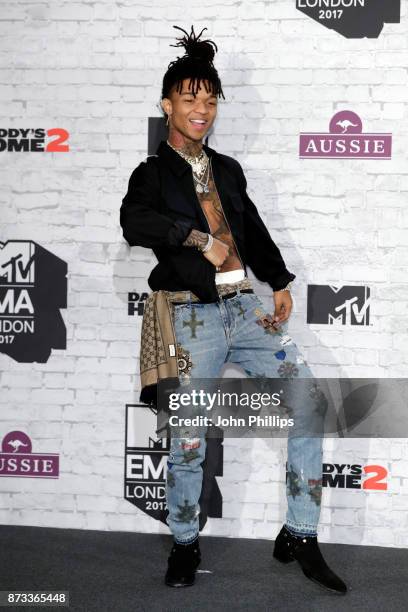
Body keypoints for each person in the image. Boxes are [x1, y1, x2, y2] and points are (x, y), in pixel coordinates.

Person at [120, 24, 347, 595]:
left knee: (309, 401)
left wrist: (278, 278)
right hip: (191, 320)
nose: (202, 109)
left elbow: (252, 227)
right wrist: (199, 240)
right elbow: (134, 222)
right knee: (188, 442)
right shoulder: (150, 175)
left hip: (244, 312)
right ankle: (184, 543)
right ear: (167, 104)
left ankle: (301, 532)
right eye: (190, 98)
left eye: (210, 98)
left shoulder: (228, 169)